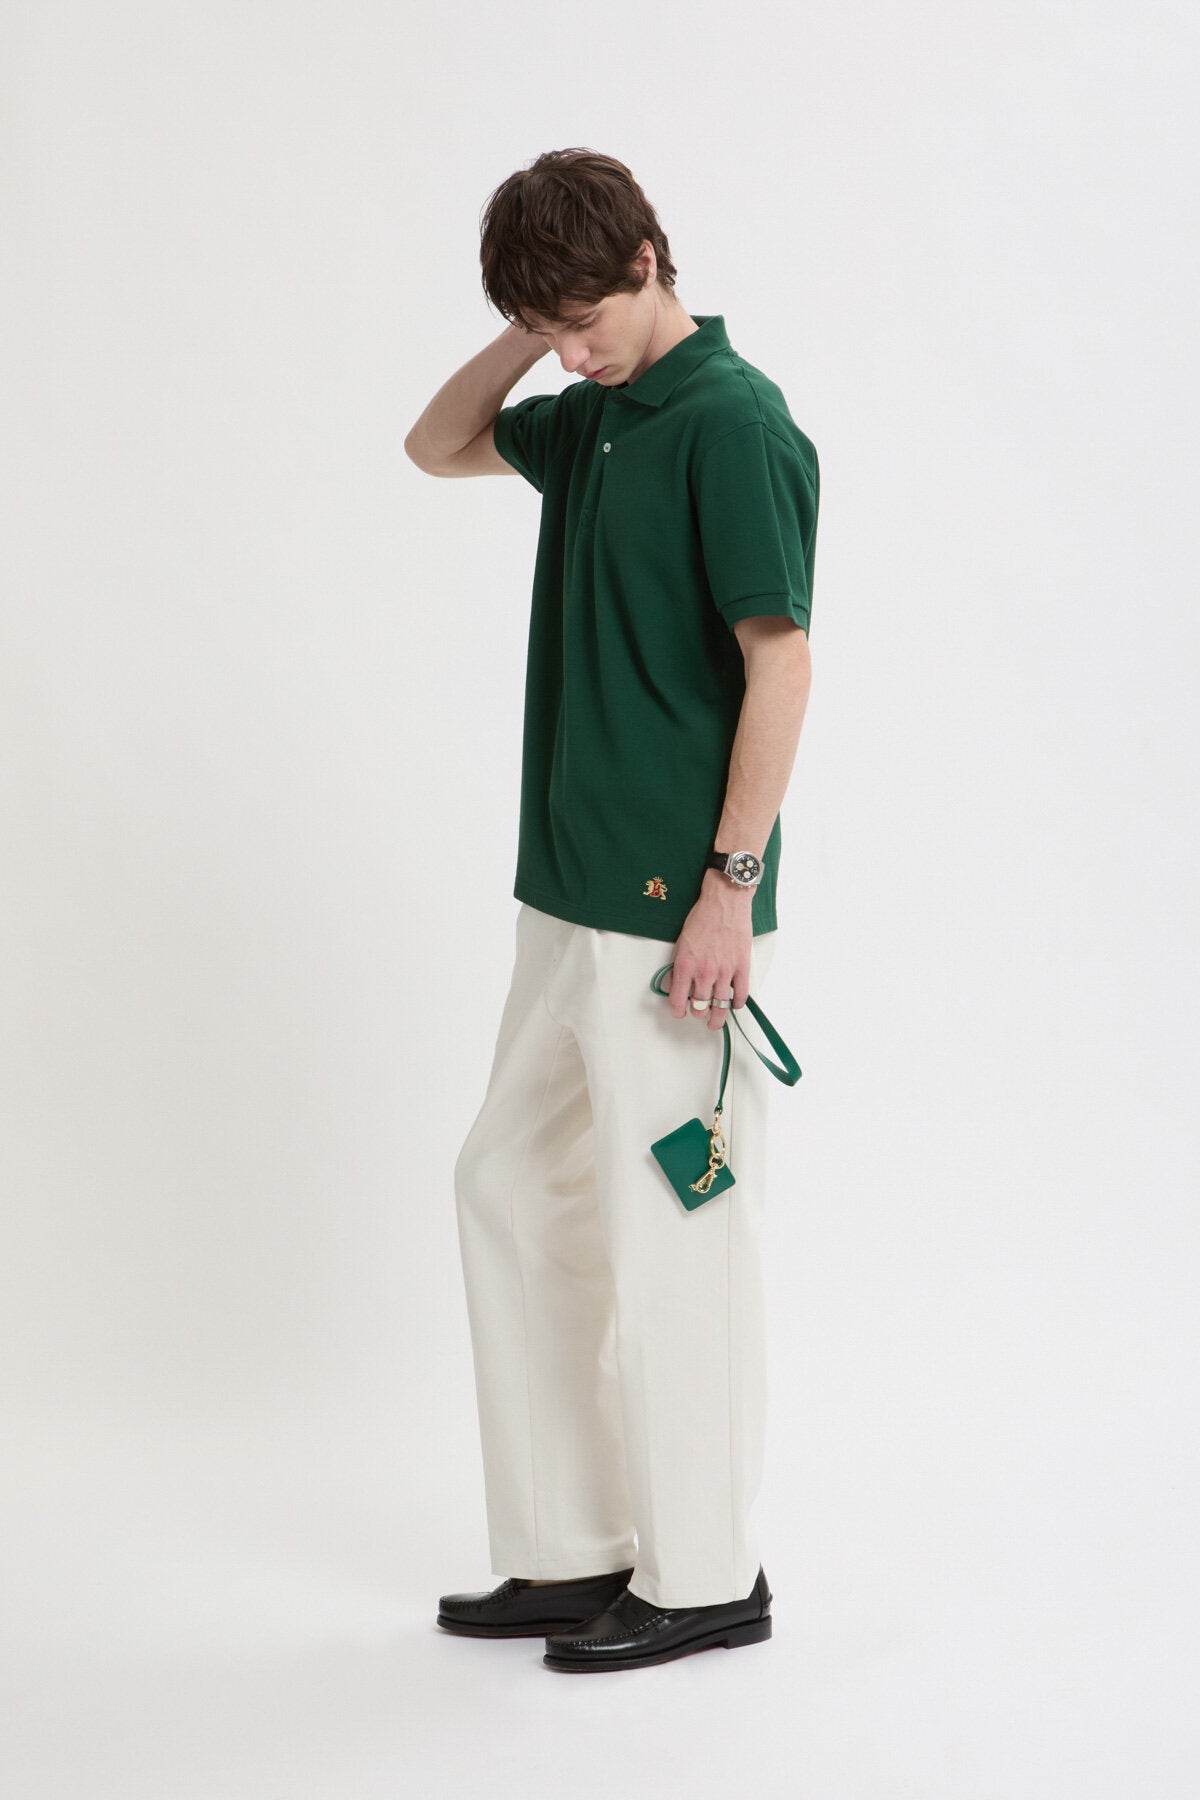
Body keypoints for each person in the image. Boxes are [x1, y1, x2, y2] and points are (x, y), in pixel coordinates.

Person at [404, 148, 818, 1673]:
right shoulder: (591, 418)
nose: (570, 354)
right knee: (509, 1185)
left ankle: (705, 1573)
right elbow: (435, 444)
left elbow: (782, 661)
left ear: (651, 258)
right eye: (549, 330)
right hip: (565, 894)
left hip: (671, 916)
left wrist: (730, 892)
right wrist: (531, 330)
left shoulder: (733, 421)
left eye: (584, 319)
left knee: (675, 1230)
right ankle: (572, 1546)